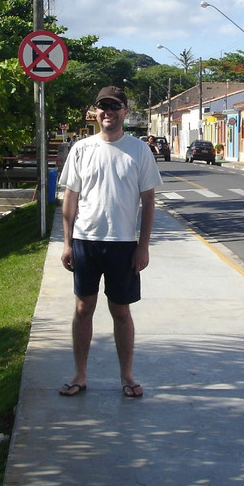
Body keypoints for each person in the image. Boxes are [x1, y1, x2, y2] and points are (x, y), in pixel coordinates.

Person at [57, 86, 163, 398]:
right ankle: (80, 375)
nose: (108, 112)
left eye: (114, 106)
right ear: (96, 112)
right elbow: (70, 199)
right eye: (103, 106)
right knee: (82, 307)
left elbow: (148, 201)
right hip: (86, 241)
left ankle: (127, 376)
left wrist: (143, 246)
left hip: (123, 245)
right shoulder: (81, 149)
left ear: (125, 112)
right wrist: (66, 243)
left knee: (121, 310)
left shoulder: (139, 150)